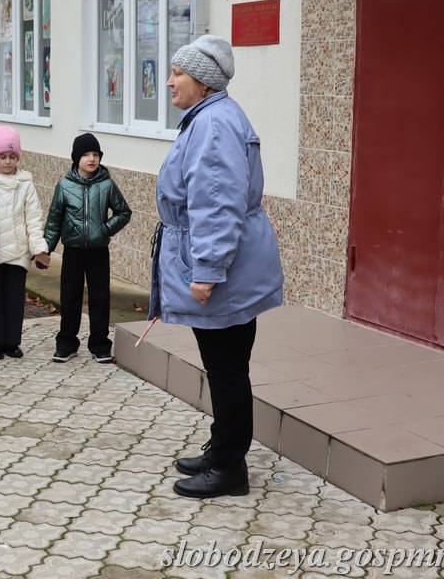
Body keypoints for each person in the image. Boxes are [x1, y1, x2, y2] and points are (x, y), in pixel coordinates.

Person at [152, 35, 283, 499]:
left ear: (203, 82)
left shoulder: (213, 124)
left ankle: (229, 468)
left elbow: (216, 202)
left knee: (227, 368)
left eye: (177, 74)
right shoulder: (211, 117)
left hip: (222, 271)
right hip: (232, 266)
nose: (169, 82)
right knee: (227, 365)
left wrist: (206, 270)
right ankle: (223, 448)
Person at [44, 132, 132, 363]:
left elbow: (124, 212)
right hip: (73, 250)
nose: (92, 159)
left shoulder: (106, 185)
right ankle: (66, 344)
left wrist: (105, 229)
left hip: (98, 251)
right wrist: (46, 250)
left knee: (100, 297)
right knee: (69, 296)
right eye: (86, 154)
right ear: (76, 158)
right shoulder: (64, 186)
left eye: (96, 154)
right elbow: (54, 220)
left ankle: (100, 345)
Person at [0, 126, 49, 360]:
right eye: (3, 157)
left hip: (19, 250)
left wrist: (38, 248)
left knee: (14, 298)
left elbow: (34, 217)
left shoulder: (26, 184)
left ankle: (12, 342)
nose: (8, 161)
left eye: (12, 156)